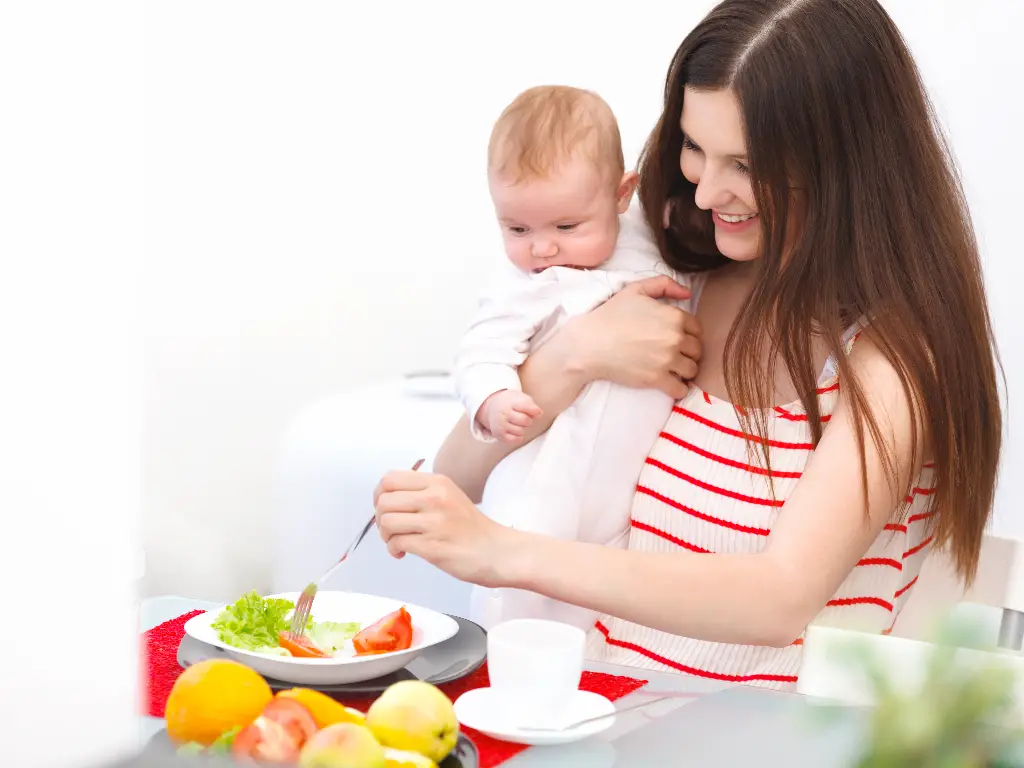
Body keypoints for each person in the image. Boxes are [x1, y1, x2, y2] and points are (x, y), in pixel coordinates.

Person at [373, 0, 1003, 690]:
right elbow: (457, 472)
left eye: (745, 163)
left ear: (846, 164)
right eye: (695, 147)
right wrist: (572, 355)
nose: (705, 190)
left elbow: (777, 598)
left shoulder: (894, 359)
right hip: (602, 708)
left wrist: (502, 552)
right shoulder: (685, 280)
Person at [453, 85, 694, 630]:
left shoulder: (647, 242)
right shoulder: (522, 284)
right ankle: (498, 657)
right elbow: (482, 348)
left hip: (627, 478)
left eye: (566, 227)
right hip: (548, 467)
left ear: (621, 194)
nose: (541, 248)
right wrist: (494, 398)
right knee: (517, 585)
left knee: (599, 598)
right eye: (517, 229)